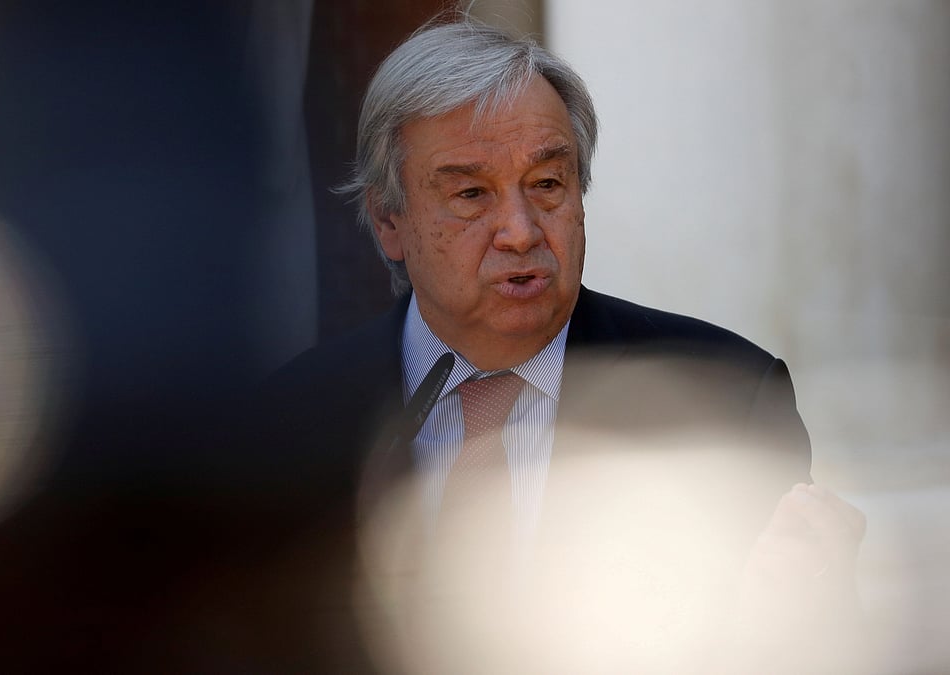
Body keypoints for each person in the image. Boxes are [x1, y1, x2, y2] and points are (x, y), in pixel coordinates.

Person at [254, 18, 866, 674]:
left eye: (547, 184)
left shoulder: (724, 401)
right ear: (388, 222)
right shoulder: (291, 423)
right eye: (470, 194)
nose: (520, 231)